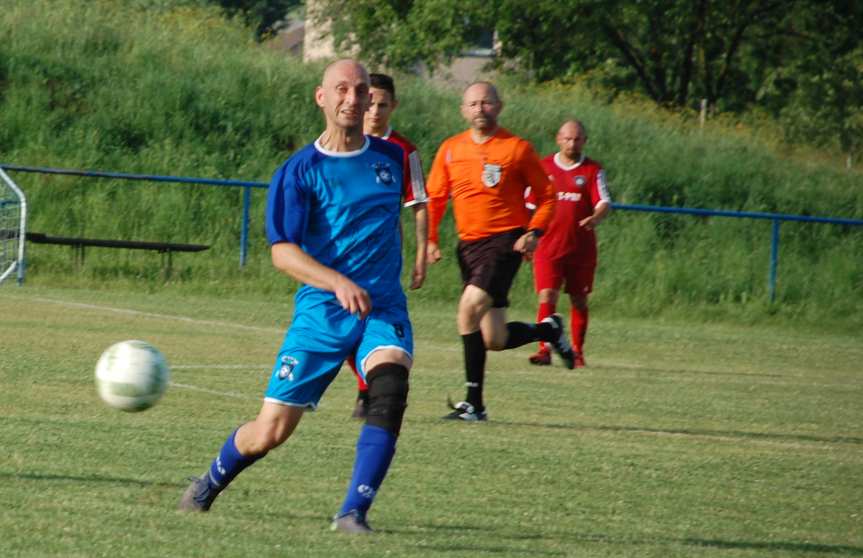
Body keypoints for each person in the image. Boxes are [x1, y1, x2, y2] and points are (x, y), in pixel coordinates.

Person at [178, 59, 414, 535]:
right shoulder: (298, 171)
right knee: (270, 432)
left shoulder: (394, 160)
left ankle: (353, 513)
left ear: (373, 99)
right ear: (321, 97)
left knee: (390, 387)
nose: (353, 98)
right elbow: (283, 254)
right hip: (322, 313)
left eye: (361, 89)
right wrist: (337, 281)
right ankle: (208, 483)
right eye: (342, 89)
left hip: (382, 307)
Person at [425, 81, 575, 422]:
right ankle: (548, 331)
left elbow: (546, 197)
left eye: (487, 102)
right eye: (473, 103)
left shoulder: (517, 149)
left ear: (499, 106)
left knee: (467, 312)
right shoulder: (451, 149)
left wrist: (534, 231)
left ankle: (474, 404)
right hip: (469, 245)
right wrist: (431, 239)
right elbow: (435, 197)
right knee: (494, 337)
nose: (480, 108)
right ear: (463, 110)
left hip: (505, 241)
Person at [346, 72, 428, 419]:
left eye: (383, 104)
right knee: (340, 319)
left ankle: (369, 389)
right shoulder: (344, 143)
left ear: (393, 106)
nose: (375, 111)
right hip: (342, 248)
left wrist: (422, 254)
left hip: (382, 254)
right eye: (370, 103)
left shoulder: (404, 151)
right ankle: (364, 384)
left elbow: (418, 204)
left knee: (371, 316)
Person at [527, 120, 612, 368]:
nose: (572, 143)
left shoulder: (593, 170)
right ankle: (544, 349)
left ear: (584, 140)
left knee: (579, 300)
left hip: (581, 248)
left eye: (577, 139)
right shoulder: (542, 167)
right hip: (548, 246)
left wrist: (595, 217)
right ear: (558, 139)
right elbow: (530, 204)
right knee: (547, 296)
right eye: (567, 139)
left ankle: (577, 352)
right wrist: (527, 235)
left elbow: (604, 202)